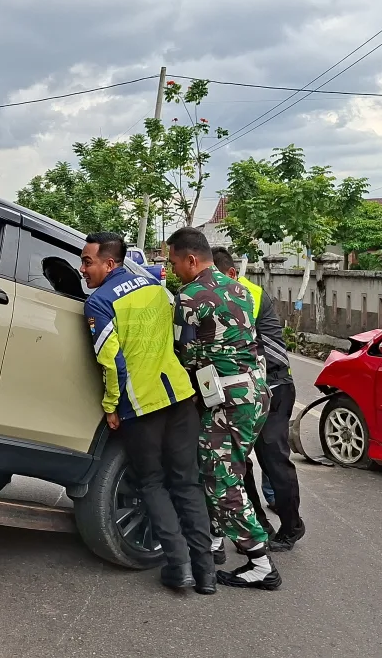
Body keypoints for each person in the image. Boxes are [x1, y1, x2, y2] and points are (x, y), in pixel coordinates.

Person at [79, 232, 216, 594]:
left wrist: (111, 406)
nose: (82, 269)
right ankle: (206, 574)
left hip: (143, 407)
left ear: (109, 263)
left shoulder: (99, 302)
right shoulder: (156, 287)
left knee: (153, 483)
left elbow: (112, 362)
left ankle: (179, 567)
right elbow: (180, 337)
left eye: (87, 262)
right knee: (187, 483)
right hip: (181, 397)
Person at [166, 227, 281, 591]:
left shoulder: (188, 297)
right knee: (231, 467)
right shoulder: (240, 289)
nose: (172, 271)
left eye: (174, 263)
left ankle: (260, 561)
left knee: (220, 478)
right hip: (255, 393)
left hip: (225, 401)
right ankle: (214, 538)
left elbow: (183, 354)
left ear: (191, 260)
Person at [211, 247, 306, 552]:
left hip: (273, 385)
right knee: (238, 460)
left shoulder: (245, 294)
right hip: (248, 387)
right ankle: (259, 527)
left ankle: (292, 526)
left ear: (231, 274)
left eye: (214, 277)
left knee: (273, 459)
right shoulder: (224, 292)